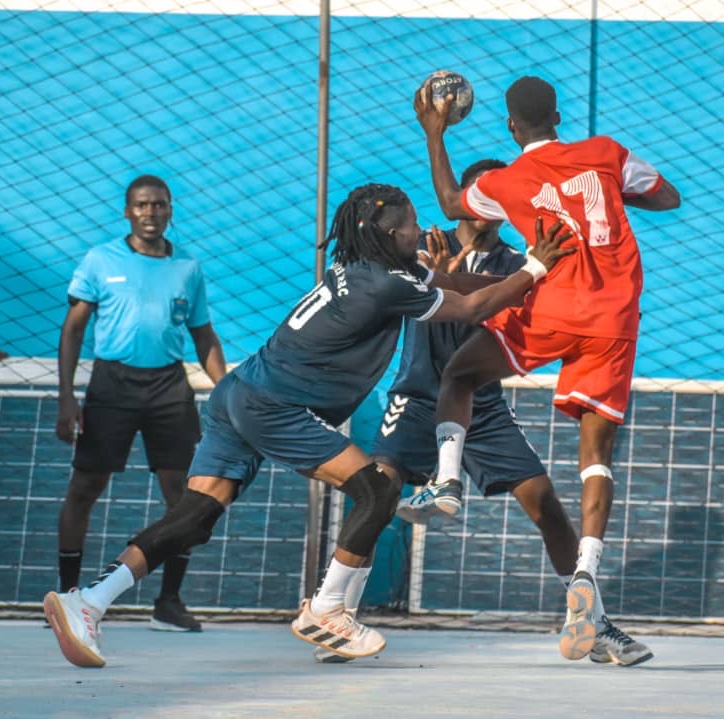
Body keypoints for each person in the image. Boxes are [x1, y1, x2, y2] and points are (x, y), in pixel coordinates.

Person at [43, 182, 577, 667]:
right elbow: (471, 306)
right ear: (389, 233)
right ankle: (327, 610)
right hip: (273, 406)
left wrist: (529, 280)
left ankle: (88, 601)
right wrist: (534, 268)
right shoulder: (385, 286)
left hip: (238, 392)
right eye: (412, 224)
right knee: (376, 491)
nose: (421, 231)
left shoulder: (365, 268)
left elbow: (455, 281)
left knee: (196, 516)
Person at [311, 159, 652, 667]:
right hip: (418, 396)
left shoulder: (521, 261)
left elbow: (511, 318)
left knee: (545, 504)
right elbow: (416, 297)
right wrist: (443, 276)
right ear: (468, 199)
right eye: (479, 194)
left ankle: (594, 624)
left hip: (483, 404)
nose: (488, 206)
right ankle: (338, 617)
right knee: (378, 495)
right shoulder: (424, 246)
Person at [414, 76, 681, 661]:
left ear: (511, 127)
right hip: (613, 317)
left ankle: (448, 479)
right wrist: (612, 195)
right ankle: (586, 571)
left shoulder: (507, 181)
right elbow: (668, 198)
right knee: (596, 455)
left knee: (461, 374)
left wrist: (435, 132)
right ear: (558, 117)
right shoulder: (605, 154)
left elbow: (452, 203)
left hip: (551, 308)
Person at [54, 174, 227, 633]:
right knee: (84, 488)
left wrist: (227, 387)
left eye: (159, 205)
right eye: (142, 205)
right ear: (127, 212)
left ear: (171, 210)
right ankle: (68, 597)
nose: (151, 213)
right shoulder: (100, 260)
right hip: (112, 385)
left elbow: (202, 333)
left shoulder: (187, 268)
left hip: (168, 387)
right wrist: (67, 398)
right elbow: (73, 329)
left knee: (185, 497)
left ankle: (168, 602)